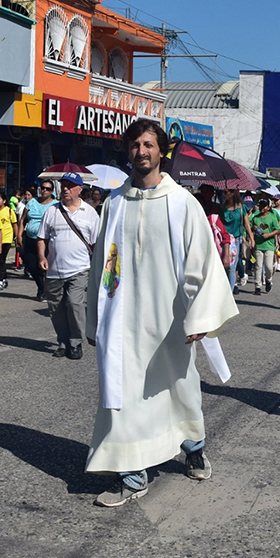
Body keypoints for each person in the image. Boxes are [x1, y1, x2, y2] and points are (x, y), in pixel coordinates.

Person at [85, 119, 238, 507]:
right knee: (121, 393)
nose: (142, 151)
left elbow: (202, 263)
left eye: (149, 144)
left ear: (161, 151)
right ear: (128, 151)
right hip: (123, 319)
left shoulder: (182, 203)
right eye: (135, 144)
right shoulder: (115, 204)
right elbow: (103, 265)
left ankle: (194, 446)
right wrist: (95, 320)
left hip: (169, 318)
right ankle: (132, 473)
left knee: (179, 387)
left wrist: (200, 317)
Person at [37, 172, 100, 360]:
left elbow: (96, 243)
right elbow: (42, 238)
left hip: (79, 269)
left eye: (70, 185)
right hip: (55, 270)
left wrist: (96, 267)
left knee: (75, 304)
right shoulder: (52, 211)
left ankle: (75, 342)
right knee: (56, 309)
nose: (65, 188)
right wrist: (42, 256)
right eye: (63, 185)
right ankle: (63, 342)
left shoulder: (90, 213)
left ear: (79, 189)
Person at [21, 180, 56, 301]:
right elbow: (23, 220)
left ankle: (44, 290)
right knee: (31, 265)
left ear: (52, 191)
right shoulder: (32, 202)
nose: (44, 190)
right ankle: (42, 287)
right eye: (43, 188)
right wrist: (19, 235)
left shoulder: (55, 205)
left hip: (47, 241)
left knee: (44, 267)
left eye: (47, 188)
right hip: (30, 238)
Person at [248, 196, 280, 296]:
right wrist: (253, 232)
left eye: (264, 206)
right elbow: (248, 227)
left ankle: (268, 279)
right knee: (258, 266)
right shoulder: (256, 217)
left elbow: (277, 229)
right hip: (259, 244)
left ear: (268, 207)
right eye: (260, 205)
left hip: (269, 245)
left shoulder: (272, 217)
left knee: (268, 267)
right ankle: (257, 286)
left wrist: (269, 235)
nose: (262, 207)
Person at [220, 190, 246, 290]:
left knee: (232, 267)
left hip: (236, 239)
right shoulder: (222, 208)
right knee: (224, 266)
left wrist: (251, 239)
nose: (224, 194)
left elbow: (246, 224)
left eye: (226, 193)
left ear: (232, 193)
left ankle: (229, 294)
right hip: (223, 239)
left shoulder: (241, 208)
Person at [0, 192, 16, 290]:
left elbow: (15, 224)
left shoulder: (9, 211)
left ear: (4, 201)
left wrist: (17, 237)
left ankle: (0, 279)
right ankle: (3, 277)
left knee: (1, 259)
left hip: (6, 238)